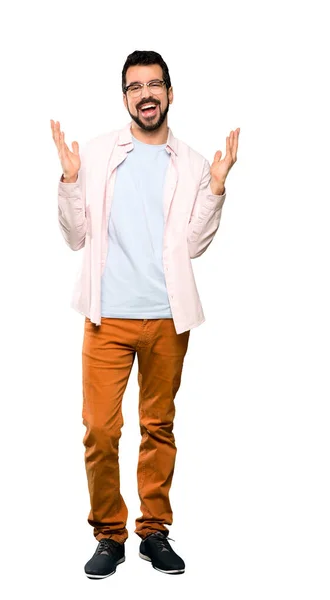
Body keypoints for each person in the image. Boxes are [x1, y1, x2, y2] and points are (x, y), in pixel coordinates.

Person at [50, 49, 239, 579]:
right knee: (99, 428)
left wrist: (218, 188)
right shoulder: (94, 154)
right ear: (125, 97)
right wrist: (68, 182)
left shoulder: (196, 164)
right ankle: (108, 533)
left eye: (155, 85)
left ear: (170, 93)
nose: (146, 94)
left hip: (166, 319)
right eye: (135, 87)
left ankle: (153, 531)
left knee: (158, 425)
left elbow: (196, 245)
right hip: (105, 317)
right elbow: (75, 237)